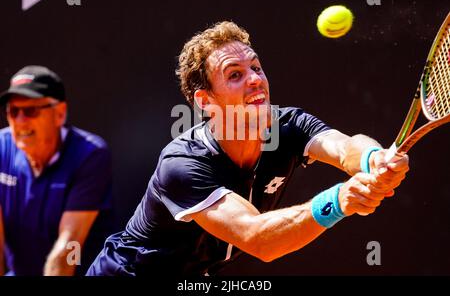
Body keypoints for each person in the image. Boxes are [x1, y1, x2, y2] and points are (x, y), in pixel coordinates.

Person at [87, 21, 409, 276]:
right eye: (235, 75)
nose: (255, 79)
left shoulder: (287, 127)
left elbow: (345, 147)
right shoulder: (182, 164)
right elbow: (258, 238)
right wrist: (340, 200)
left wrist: (373, 158)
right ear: (206, 102)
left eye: (256, 67)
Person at [0, 65, 113, 276]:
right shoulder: (1, 147)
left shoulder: (90, 154)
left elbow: (67, 251)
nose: (20, 121)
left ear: (60, 114)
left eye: (31, 110)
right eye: (14, 111)